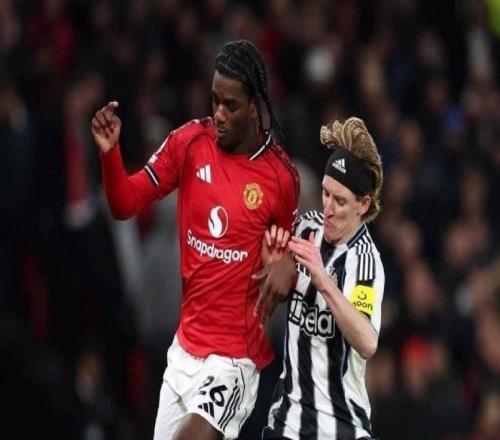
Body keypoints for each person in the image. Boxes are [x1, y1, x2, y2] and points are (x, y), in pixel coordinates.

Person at [90, 40, 299, 440]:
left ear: (254, 107)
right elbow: (124, 203)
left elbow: (287, 263)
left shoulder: (280, 178)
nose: (218, 113)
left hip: (235, 359)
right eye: (214, 100)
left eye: (230, 105)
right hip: (184, 351)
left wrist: (288, 265)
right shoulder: (189, 143)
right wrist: (110, 155)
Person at [261, 117, 384, 440]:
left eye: (339, 201)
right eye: (325, 194)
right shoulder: (304, 228)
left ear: (363, 205)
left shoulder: (365, 261)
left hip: (342, 427)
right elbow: (269, 288)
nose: (327, 208)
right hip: (287, 424)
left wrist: (323, 279)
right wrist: (271, 264)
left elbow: (367, 342)